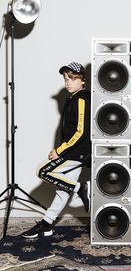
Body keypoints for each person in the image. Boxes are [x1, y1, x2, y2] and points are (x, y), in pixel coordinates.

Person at [22, 62, 91, 238]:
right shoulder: (73, 98)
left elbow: (81, 131)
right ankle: (46, 224)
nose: (68, 82)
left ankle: (81, 188)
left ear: (83, 80)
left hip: (76, 151)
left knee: (43, 171)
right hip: (74, 151)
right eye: (66, 79)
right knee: (62, 191)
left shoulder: (82, 98)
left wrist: (59, 151)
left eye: (73, 78)